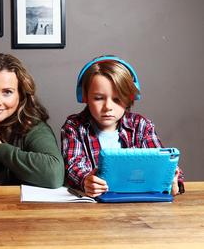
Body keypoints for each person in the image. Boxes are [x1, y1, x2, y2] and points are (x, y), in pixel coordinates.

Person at [61, 56, 184, 197]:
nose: (108, 107)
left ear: (129, 98)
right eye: (98, 98)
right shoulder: (74, 127)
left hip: (137, 205)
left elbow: (160, 160)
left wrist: (172, 179)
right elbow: (74, 165)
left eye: (117, 99)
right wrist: (86, 181)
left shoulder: (142, 126)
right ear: (84, 97)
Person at [0, 53, 64, 188]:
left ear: (21, 94)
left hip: (21, 208)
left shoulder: (34, 128)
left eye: (7, 92)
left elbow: (54, 175)